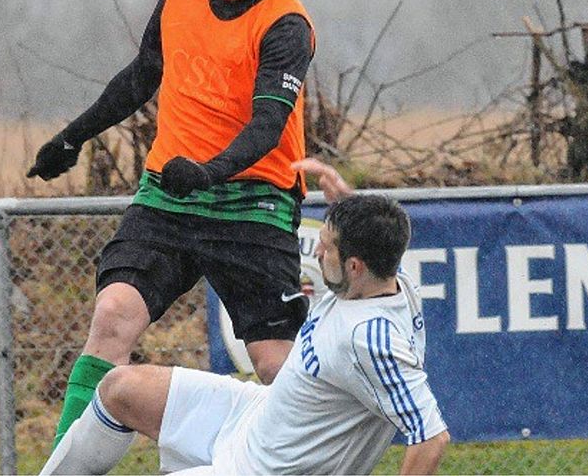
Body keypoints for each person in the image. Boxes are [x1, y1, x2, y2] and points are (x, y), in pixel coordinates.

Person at [26, 0, 315, 448]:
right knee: (113, 314)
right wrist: (72, 137)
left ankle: (303, 457)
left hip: (254, 206)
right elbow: (141, 76)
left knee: (275, 364)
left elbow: (269, 124)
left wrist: (209, 171)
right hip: (168, 196)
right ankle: (63, 463)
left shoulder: (286, 23)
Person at [39, 159, 450, 475]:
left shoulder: (373, 340)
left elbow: (431, 437)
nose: (319, 253)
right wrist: (347, 202)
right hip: (252, 414)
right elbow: (372, 238)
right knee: (119, 387)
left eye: (327, 247)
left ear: (356, 266)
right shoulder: (393, 279)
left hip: (263, 468)